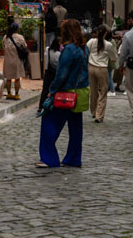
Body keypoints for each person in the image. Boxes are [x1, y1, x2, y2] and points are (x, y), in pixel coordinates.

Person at [37, 19, 88, 169]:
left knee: (48, 122)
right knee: (75, 128)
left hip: (66, 93)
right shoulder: (85, 49)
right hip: (81, 92)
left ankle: (49, 158)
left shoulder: (69, 50)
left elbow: (61, 74)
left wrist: (51, 91)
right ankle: (73, 158)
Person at [87, 24, 118, 123]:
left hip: (91, 67)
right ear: (105, 33)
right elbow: (114, 58)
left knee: (93, 91)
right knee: (103, 91)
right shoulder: (108, 45)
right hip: (102, 69)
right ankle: (99, 115)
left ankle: (93, 111)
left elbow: (86, 51)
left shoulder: (91, 41)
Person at [3, 21, 28, 100]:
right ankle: (16, 94)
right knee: (17, 78)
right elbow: (25, 47)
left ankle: (9, 93)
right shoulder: (20, 37)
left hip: (7, 60)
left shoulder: (5, 37)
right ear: (17, 29)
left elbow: (3, 47)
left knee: (8, 78)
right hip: (16, 60)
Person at [37, 37, 61, 114]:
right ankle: (51, 105)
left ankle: (41, 107)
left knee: (45, 90)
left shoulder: (47, 49)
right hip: (54, 73)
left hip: (47, 72)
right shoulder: (58, 54)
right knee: (54, 90)